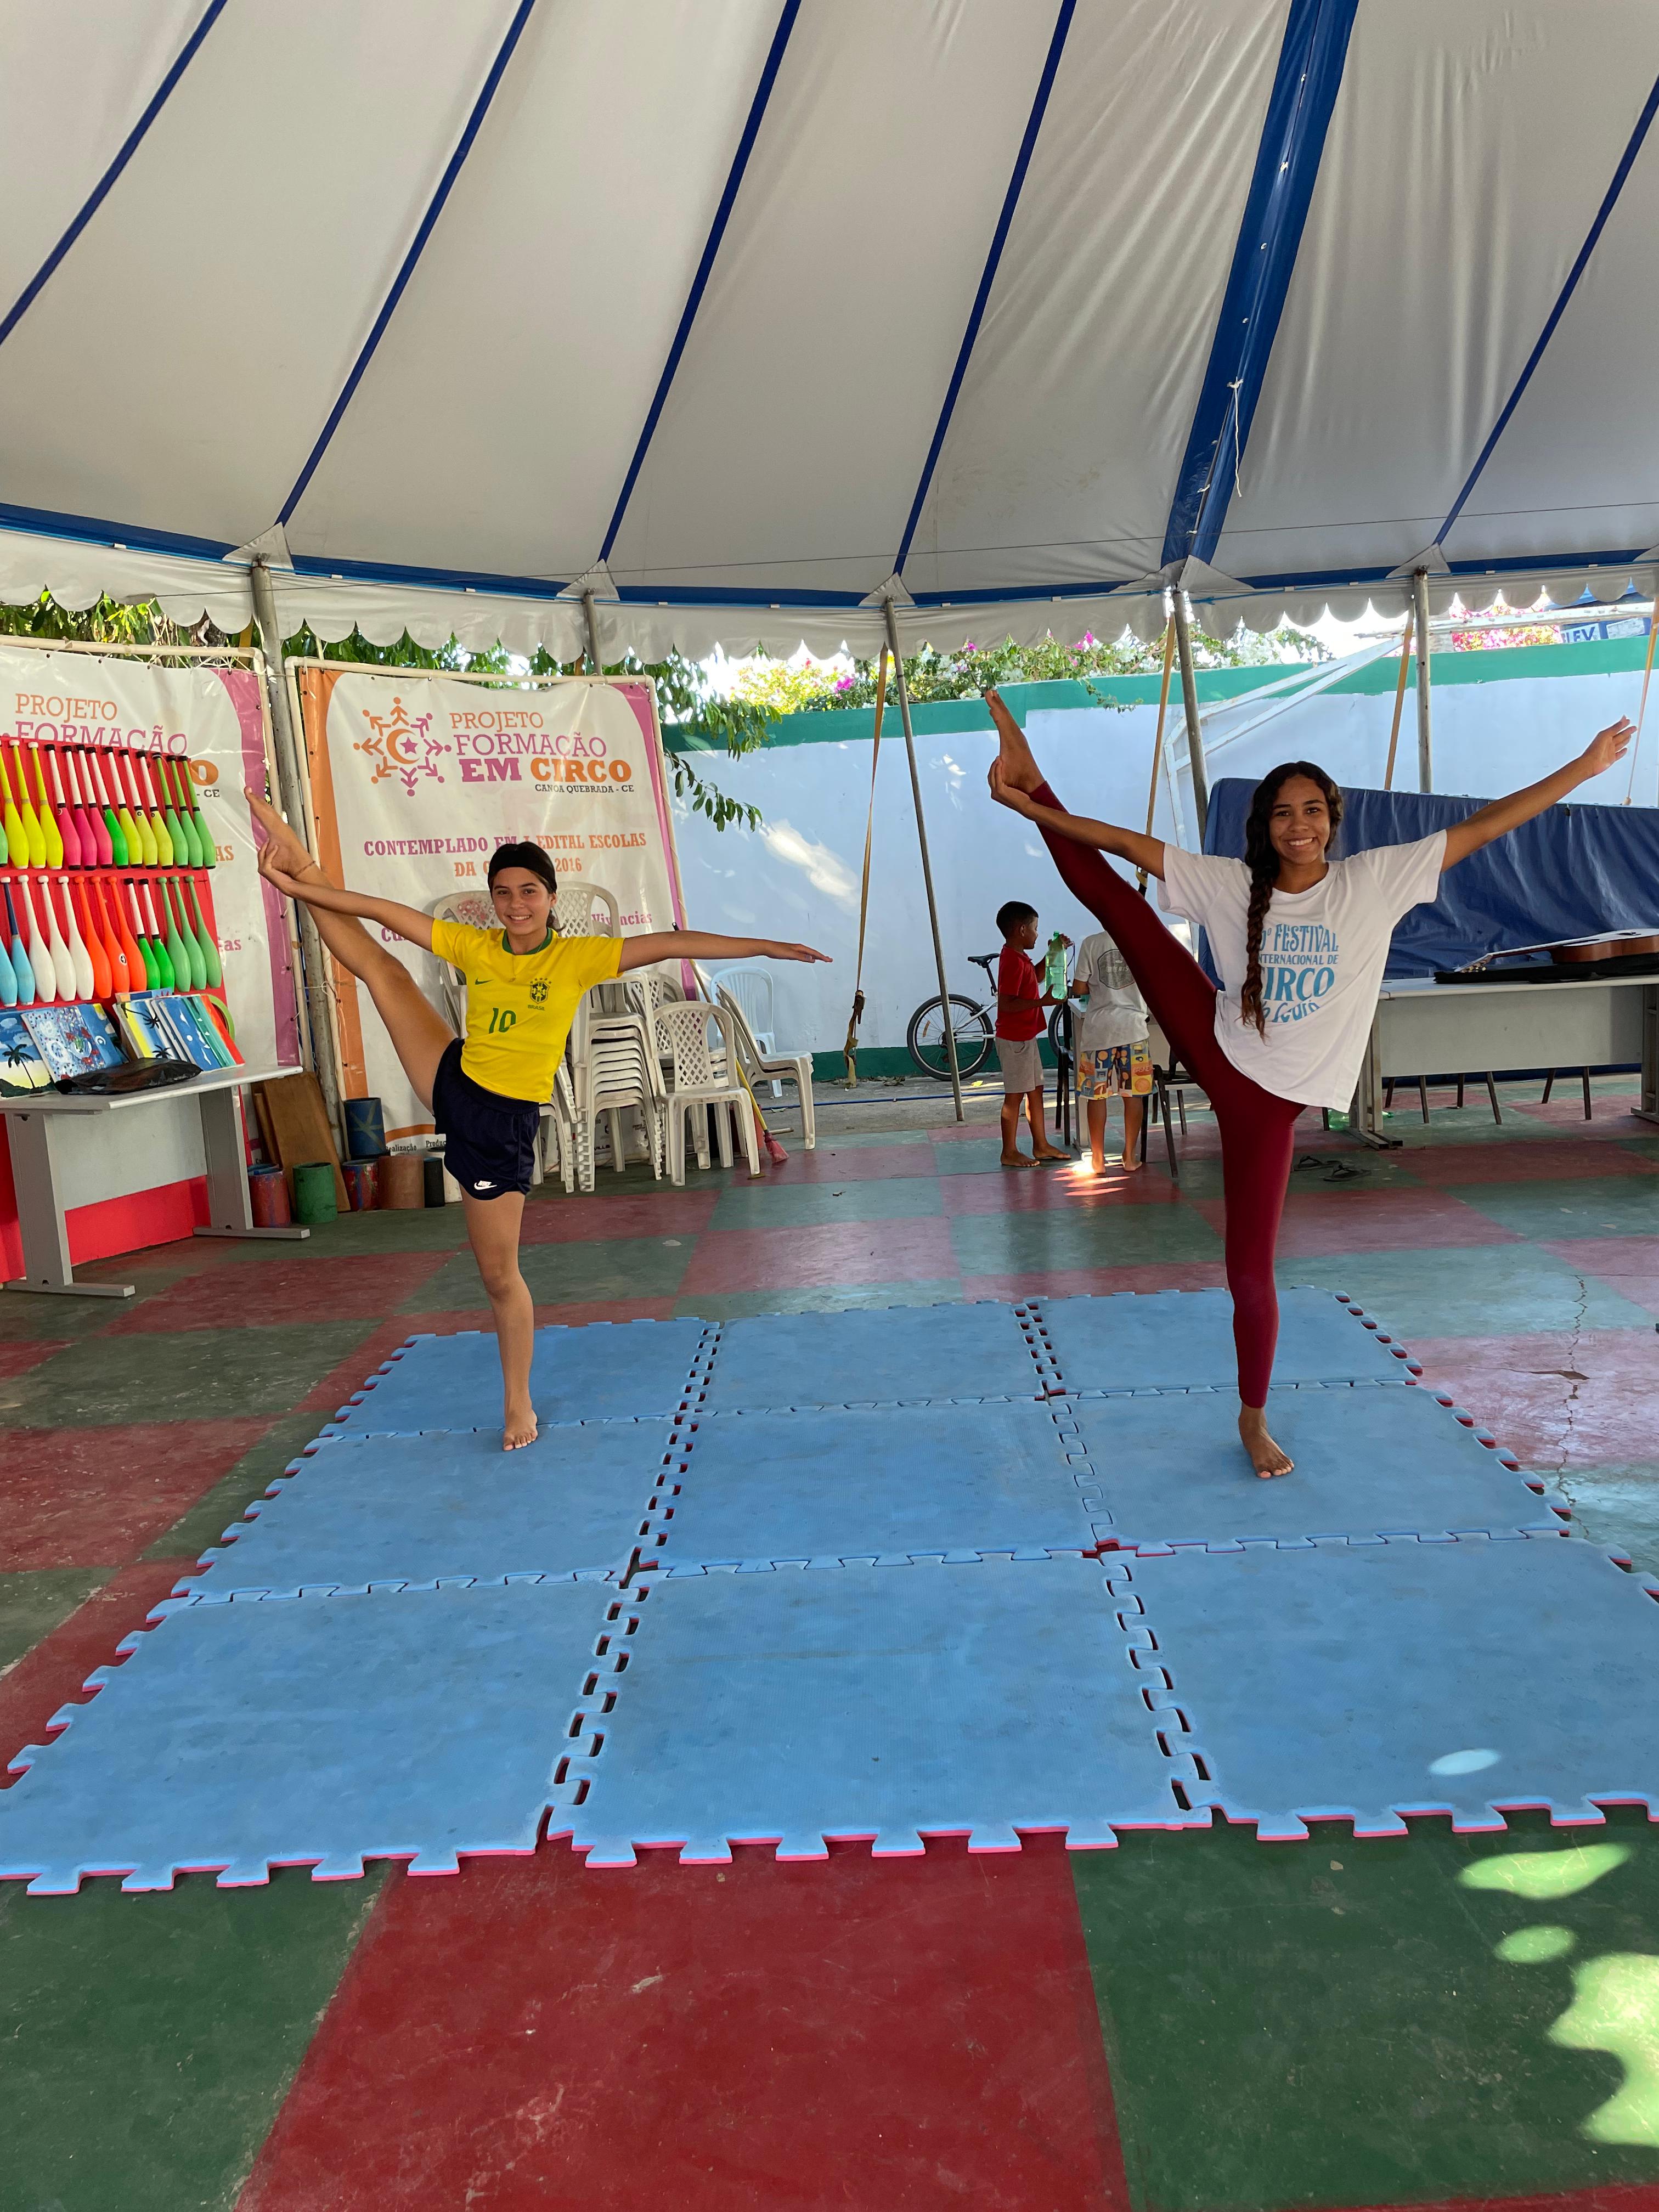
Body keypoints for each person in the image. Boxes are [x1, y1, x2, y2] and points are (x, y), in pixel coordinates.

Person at [983, 690, 1633, 1478]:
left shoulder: (1375, 880)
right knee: (1122, 909)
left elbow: (1489, 825)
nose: (1300, 825)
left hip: (1269, 1108)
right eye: (1284, 813)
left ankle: (1251, 1415)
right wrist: (1033, 805)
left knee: (1249, 1270)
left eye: (1313, 810)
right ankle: (1033, 772)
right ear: (1265, 826)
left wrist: (1584, 767)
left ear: (1333, 818)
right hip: (1218, 1042)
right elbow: (1120, 847)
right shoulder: (1230, 883)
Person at [247, 788, 829, 1452]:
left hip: (498, 1127)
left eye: (529, 892)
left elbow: (673, 941)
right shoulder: (476, 945)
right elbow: (381, 913)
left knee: (499, 1278)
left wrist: (768, 946)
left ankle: (517, 1399)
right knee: (384, 972)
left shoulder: (575, 958)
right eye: (503, 893)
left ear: (551, 898)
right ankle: (299, 855)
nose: (516, 905)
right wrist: (299, 881)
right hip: (453, 1077)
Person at [994, 899, 1071, 1168]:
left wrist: (1054, 952)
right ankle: (1009, 1151)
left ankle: (1041, 1144)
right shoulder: (1011, 961)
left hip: (1026, 1036)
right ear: (1022, 930)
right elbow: (1006, 1004)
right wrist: (1042, 1002)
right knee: (1015, 1096)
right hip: (1015, 1039)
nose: (1038, 934)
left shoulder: (1020, 957)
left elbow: (1036, 977)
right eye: (1036, 929)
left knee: (1036, 1090)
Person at [1072, 926, 1152, 1174]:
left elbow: (1078, 988)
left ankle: (1097, 1159)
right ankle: (1129, 1156)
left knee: (1097, 1095)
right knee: (1133, 1095)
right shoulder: (1143, 942)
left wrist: (1101, 989)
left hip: (1100, 1031)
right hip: (1134, 1031)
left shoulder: (1091, 943)